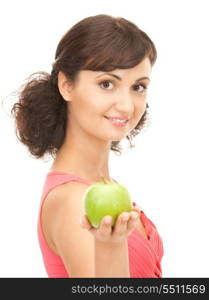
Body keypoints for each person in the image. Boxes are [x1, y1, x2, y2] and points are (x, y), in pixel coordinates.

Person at [11, 14, 164, 278]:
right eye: (107, 84)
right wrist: (111, 245)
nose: (127, 106)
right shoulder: (73, 202)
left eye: (138, 87)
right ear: (66, 85)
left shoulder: (99, 186)